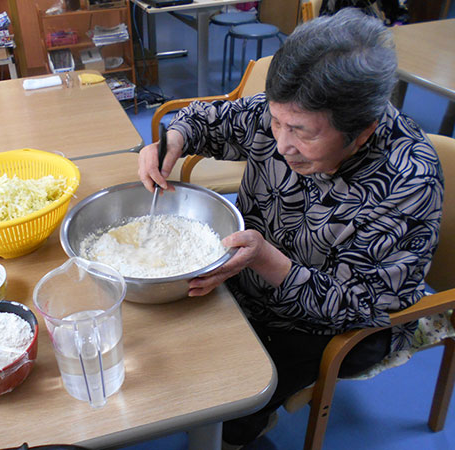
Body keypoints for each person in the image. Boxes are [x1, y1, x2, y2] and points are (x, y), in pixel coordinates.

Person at [137, 8, 443, 447]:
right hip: (249, 271)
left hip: (330, 324)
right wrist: (174, 139)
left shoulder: (407, 178)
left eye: (301, 132)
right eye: (277, 122)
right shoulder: (288, 112)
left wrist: (267, 261)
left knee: (232, 393)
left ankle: (242, 433)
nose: (282, 144)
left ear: (362, 132)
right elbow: (209, 118)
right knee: (168, 346)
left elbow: (359, 306)